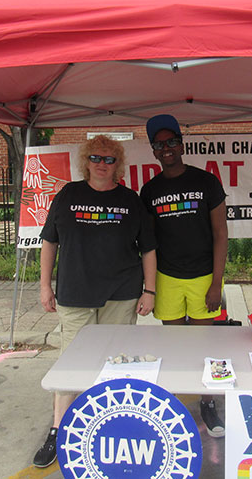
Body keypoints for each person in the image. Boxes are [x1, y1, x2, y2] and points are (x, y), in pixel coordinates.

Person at [32, 135, 157, 468]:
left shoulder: (130, 200)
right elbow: (49, 242)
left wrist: (150, 290)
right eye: (96, 159)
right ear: (85, 162)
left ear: (118, 164)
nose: (103, 164)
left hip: (122, 293)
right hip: (75, 294)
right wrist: (45, 286)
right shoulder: (68, 195)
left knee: (117, 364)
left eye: (109, 159)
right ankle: (58, 431)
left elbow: (148, 248)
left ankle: (112, 424)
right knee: (71, 365)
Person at [140, 114, 228, 438]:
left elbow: (221, 234)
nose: (166, 148)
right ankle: (175, 406)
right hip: (167, 279)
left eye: (171, 141)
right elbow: (147, 244)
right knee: (175, 348)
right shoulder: (149, 191)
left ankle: (207, 402)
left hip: (204, 277)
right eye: (159, 144)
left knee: (202, 345)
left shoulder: (206, 182)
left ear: (181, 143)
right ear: (153, 151)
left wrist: (216, 283)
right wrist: (149, 287)